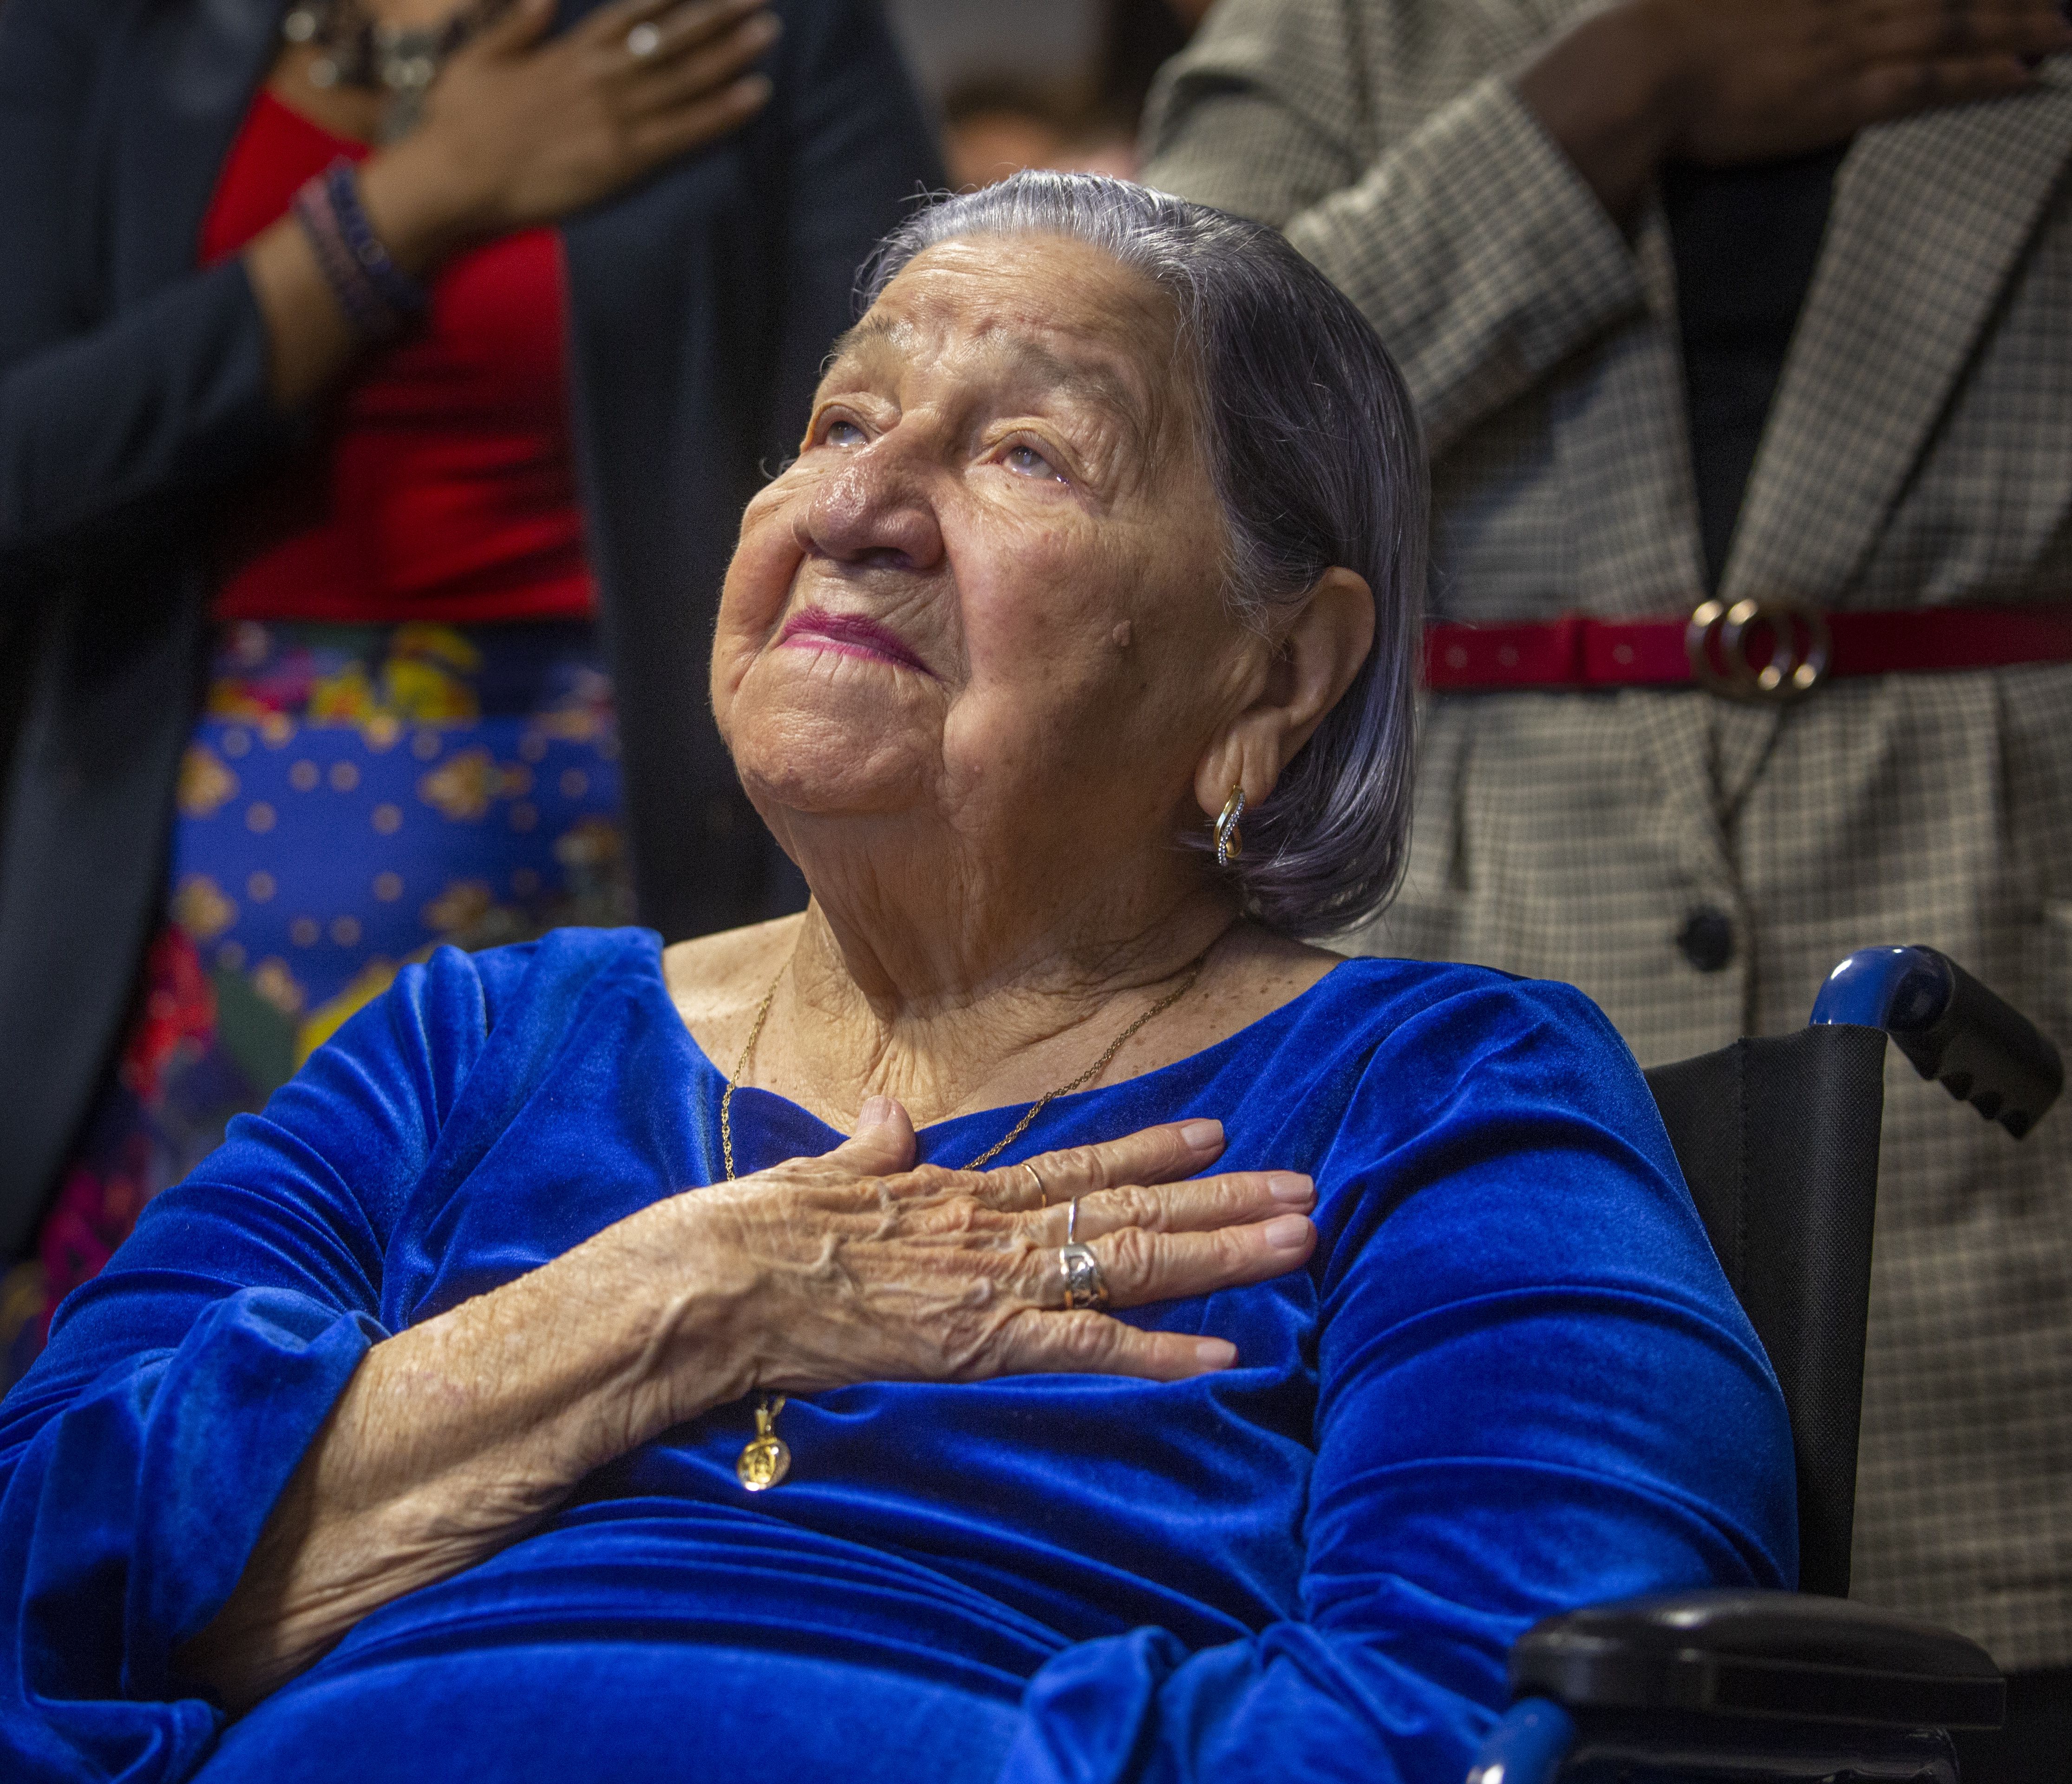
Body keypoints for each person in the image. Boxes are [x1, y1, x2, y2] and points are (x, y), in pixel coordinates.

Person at [0, 174, 1793, 1784]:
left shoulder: (1439, 1091)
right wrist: (687, 1299)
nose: (858, 502)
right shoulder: (471, 1049)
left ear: (1279, 672)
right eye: (841, 416)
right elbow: (36, 1563)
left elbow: (1514, 1711)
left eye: (1025, 452)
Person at [1140, 2, 2072, 1773]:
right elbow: (1168, 421)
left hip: (1993, 903)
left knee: (1999, 1658)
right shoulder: (1351, 26)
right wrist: (1605, 96)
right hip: (1489, 920)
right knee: (1509, 1657)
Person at [0, 0, 941, 1382]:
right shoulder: (97, 33)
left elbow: (907, 430)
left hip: (652, 854)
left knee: (573, 1432)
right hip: (185, 889)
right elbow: (28, 467)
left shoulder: (756, 28)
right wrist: (402, 212)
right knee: (182, 1433)